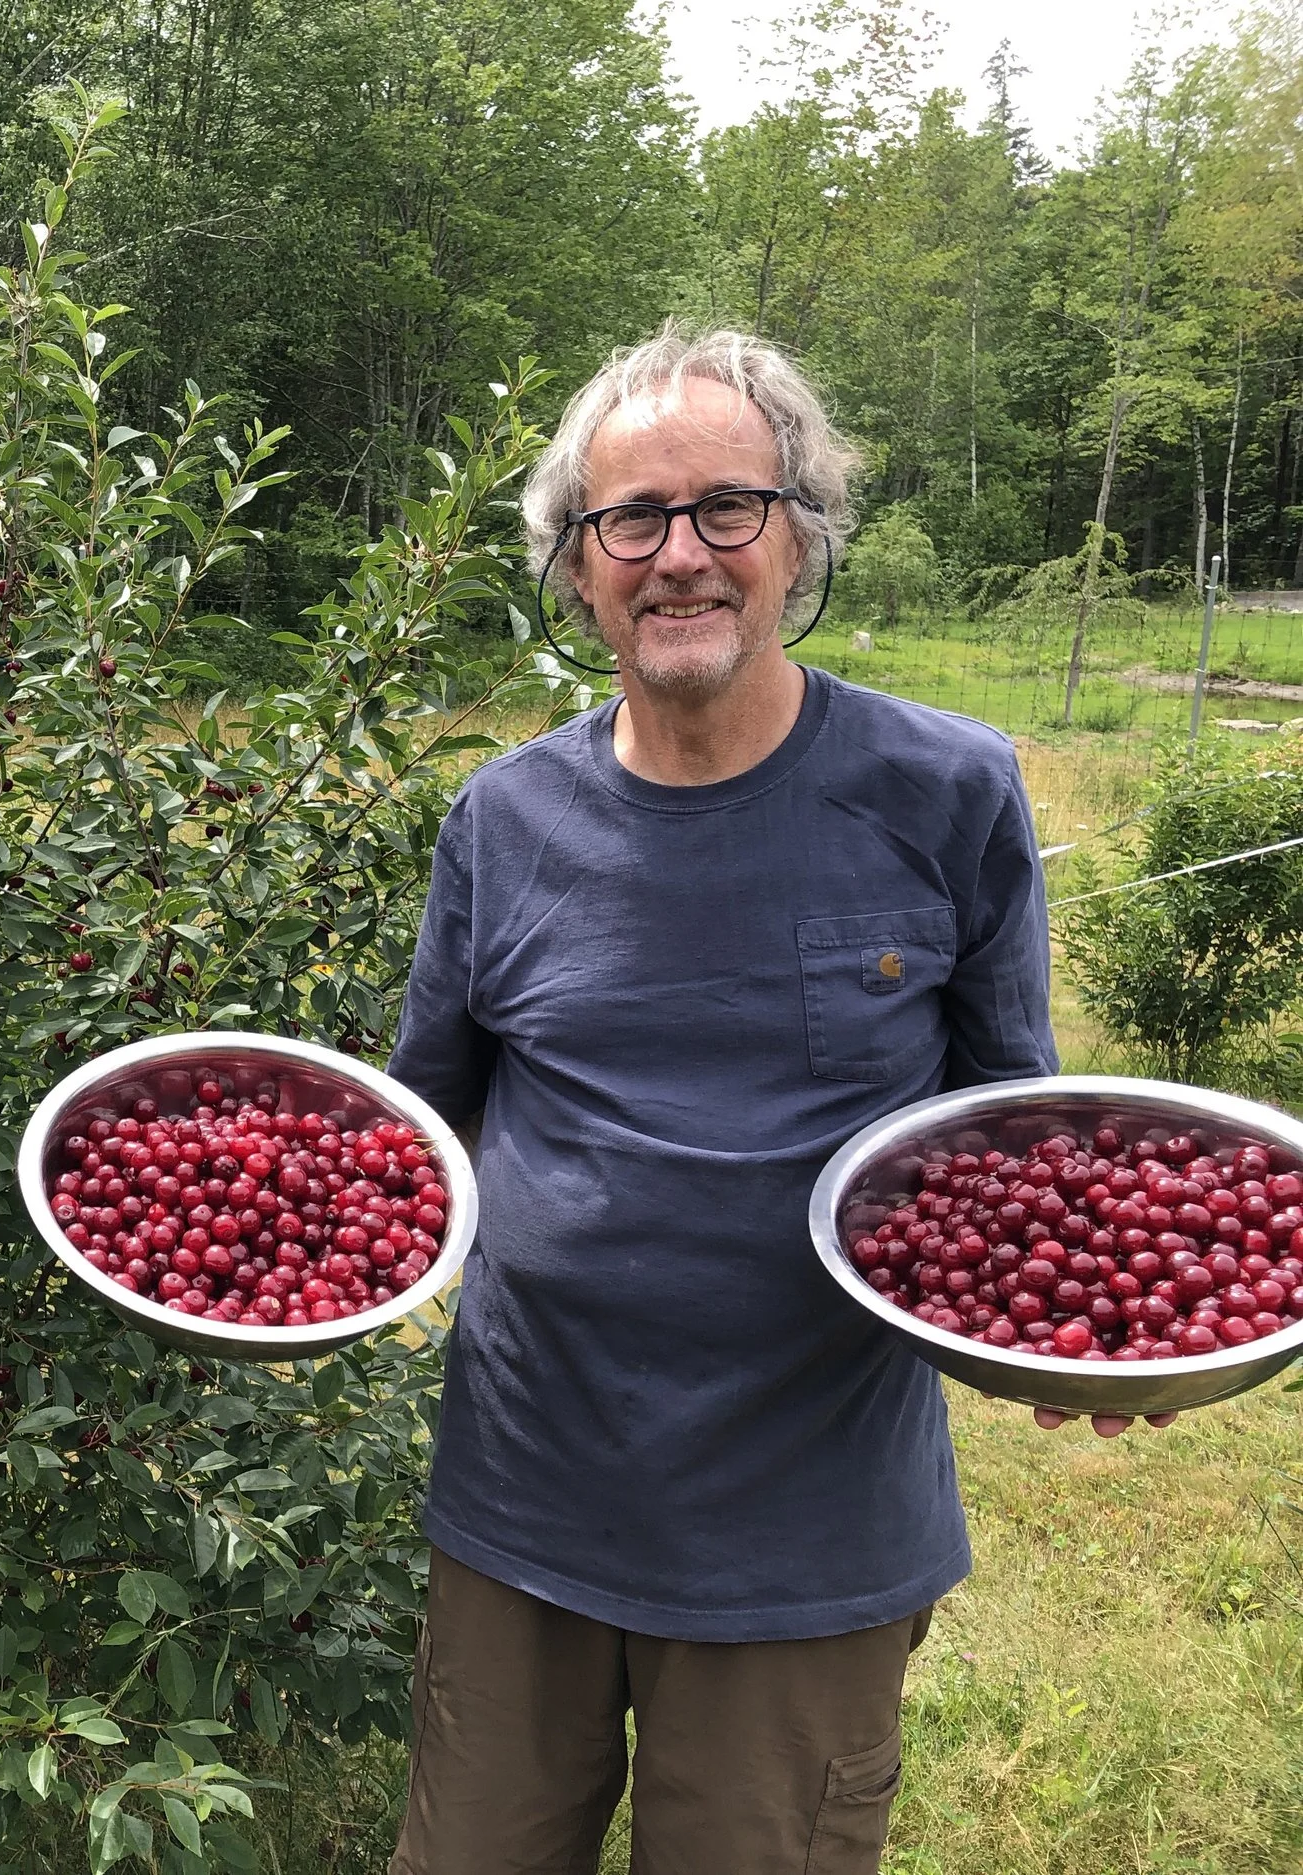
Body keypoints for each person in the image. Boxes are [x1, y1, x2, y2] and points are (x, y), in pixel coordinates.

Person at [380, 326, 1166, 1875]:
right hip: (527, 1498)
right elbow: (421, 1137)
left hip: (804, 1528)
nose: (681, 556)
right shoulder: (504, 819)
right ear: (577, 563)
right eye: (631, 519)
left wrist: (1072, 1325)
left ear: (800, 534)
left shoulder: (946, 789)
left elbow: (1012, 1137)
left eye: (727, 508)